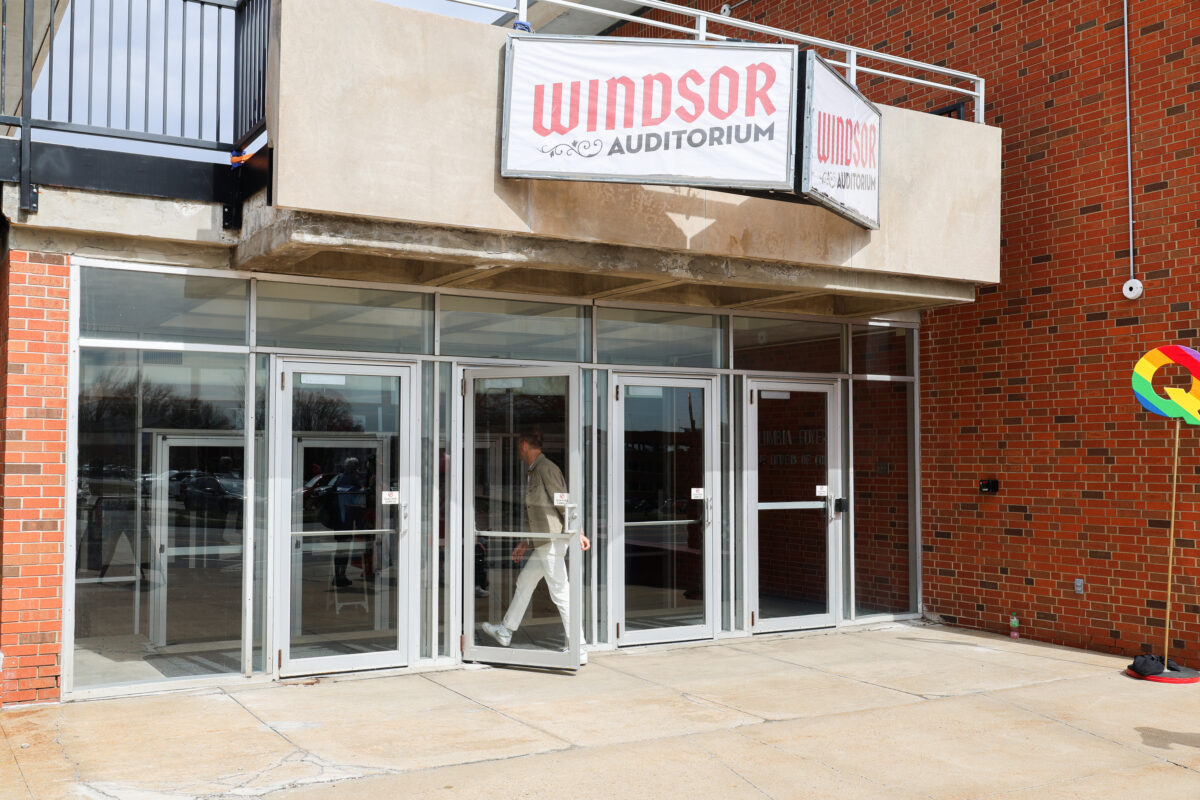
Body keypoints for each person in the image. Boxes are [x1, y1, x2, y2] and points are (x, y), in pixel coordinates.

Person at [482, 429, 589, 648]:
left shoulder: (546, 468)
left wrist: (578, 531)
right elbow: (539, 512)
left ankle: (578, 645)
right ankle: (506, 630)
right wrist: (526, 541)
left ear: (523, 444)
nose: (517, 451)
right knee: (525, 581)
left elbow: (563, 502)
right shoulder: (533, 470)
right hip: (542, 541)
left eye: (517, 446)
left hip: (552, 541)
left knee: (560, 591)